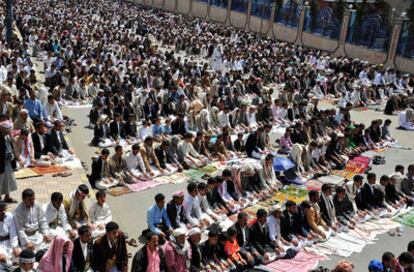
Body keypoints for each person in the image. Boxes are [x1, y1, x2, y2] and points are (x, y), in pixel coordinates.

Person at [13, 189, 51, 253]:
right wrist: (27, 242)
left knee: (50, 245)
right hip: (27, 238)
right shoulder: (18, 210)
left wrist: (45, 233)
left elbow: (42, 220)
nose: (32, 201)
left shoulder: (36, 204)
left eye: (33, 199)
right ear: (23, 199)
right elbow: (20, 229)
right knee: (28, 253)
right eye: (30, 200)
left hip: (37, 235)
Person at [0, 120, 18, 203]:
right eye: (8, 129)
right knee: (1, 181)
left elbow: (11, 147)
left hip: (8, 162)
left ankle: (7, 197)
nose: (10, 131)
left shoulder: (7, 136)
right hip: (1, 163)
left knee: (9, 179)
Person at [0, 200, 20, 270]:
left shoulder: (9, 216)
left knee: (19, 256)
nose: (3, 212)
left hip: (9, 243)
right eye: (0, 210)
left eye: (4, 210)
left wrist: (15, 247)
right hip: (0, 245)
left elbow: (13, 233)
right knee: (2, 260)